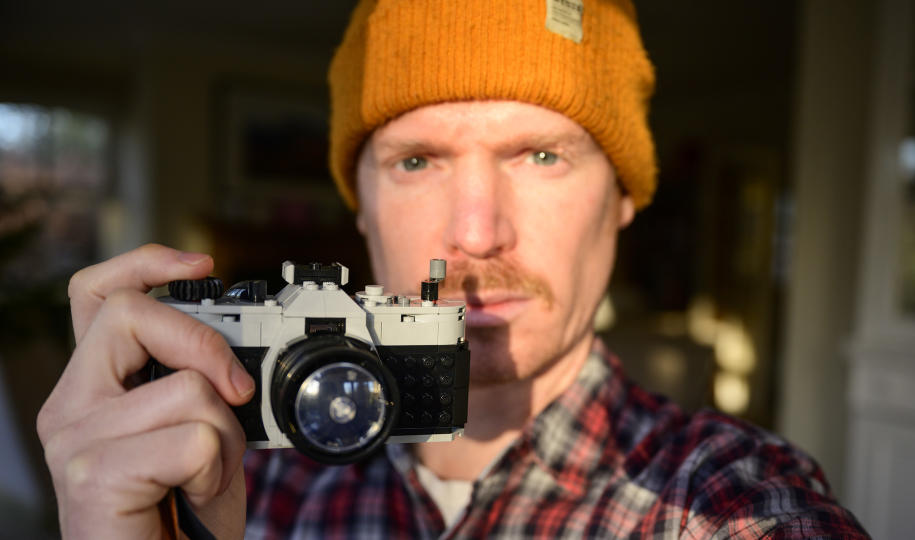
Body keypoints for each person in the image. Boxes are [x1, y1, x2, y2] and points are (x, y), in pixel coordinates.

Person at [38, 0, 869, 538]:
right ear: (358, 206)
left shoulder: (724, 501)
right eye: (416, 162)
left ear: (623, 199)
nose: (476, 232)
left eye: (542, 153)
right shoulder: (235, 486)